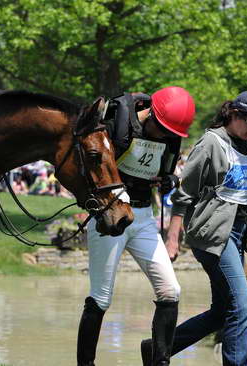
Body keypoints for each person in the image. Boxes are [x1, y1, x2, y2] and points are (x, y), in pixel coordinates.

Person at [141, 91, 247, 366]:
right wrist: (172, 239)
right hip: (213, 236)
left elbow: (242, 184)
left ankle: (158, 349)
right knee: (242, 308)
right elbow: (184, 194)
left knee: (222, 312)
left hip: (237, 234)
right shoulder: (210, 144)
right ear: (233, 115)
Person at [76, 86, 195, 366]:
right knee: (101, 297)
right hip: (110, 218)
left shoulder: (171, 136)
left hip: (143, 217)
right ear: (150, 113)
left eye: (170, 133)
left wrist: (170, 181)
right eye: (162, 129)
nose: (165, 136)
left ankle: (159, 362)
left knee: (170, 291)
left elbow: (167, 172)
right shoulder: (117, 127)